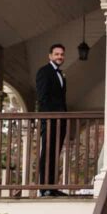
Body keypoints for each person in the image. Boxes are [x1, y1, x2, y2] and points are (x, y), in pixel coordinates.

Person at [36, 42, 67, 196]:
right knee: (47, 152)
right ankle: (43, 188)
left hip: (60, 120)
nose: (59, 56)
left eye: (61, 54)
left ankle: (52, 187)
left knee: (55, 153)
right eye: (57, 54)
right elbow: (42, 97)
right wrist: (48, 117)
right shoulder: (44, 71)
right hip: (49, 119)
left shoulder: (61, 74)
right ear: (50, 56)